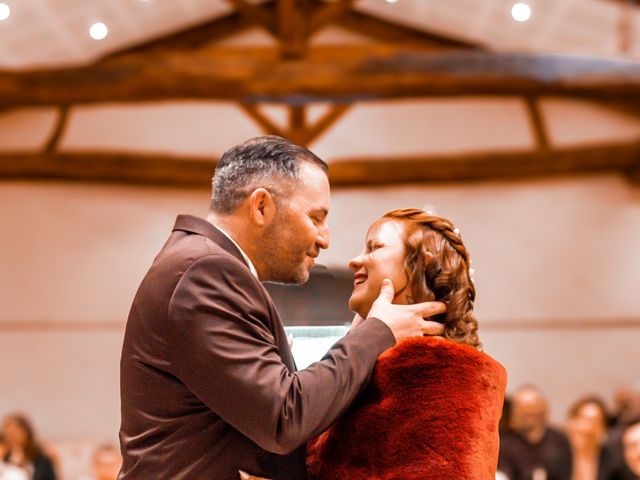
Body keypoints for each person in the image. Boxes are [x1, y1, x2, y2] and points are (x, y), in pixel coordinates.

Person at [118, 136, 447, 480]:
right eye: (315, 217)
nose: (325, 238)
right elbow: (283, 418)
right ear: (261, 206)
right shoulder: (206, 272)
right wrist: (377, 333)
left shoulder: (202, 264)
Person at [307, 208, 507, 480]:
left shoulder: (446, 373)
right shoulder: (371, 360)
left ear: (419, 266)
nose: (355, 261)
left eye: (374, 247)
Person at [498, 385, 572, 480]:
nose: (530, 422)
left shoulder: (559, 440)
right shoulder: (505, 441)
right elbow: (503, 474)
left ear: (543, 411)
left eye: (534, 415)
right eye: (524, 416)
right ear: (514, 413)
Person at [566, 396, 615, 480]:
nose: (586, 428)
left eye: (594, 422)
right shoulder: (555, 457)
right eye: (581, 419)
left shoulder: (615, 462)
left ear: (604, 429)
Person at [1, 414, 56, 480]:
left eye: (14, 433)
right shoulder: (4, 457)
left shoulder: (41, 458)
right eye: (8, 433)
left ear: (26, 433)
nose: (11, 437)